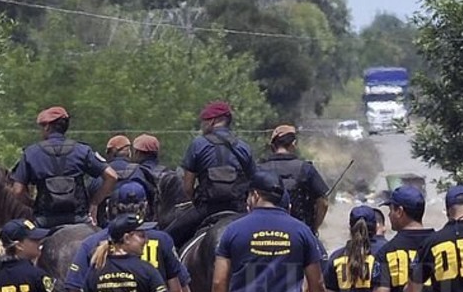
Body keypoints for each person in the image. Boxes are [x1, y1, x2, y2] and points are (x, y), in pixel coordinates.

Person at [9, 106, 119, 229]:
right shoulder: (82, 150)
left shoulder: (31, 153)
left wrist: (34, 205)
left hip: (45, 221)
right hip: (78, 219)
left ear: (47, 127)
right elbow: (112, 176)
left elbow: (17, 191)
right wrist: (94, 203)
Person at [165, 101, 257, 246]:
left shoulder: (198, 144)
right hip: (238, 209)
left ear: (212, 121)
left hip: (206, 209)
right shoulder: (243, 147)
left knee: (167, 237)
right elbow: (254, 182)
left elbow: (187, 186)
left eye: (204, 121)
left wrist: (196, 201)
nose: (202, 126)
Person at [258, 124, 330, 234]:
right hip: (299, 232)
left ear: (273, 146)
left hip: (265, 232)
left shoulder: (260, 169)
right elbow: (323, 202)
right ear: (294, 144)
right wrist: (314, 228)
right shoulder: (305, 169)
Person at [97, 135, 156, 224]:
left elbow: (91, 193)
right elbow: (151, 195)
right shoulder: (139, 171)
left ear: (109, 153)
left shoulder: (101, 172)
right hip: (137, 224)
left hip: (105, 225)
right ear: (129, 152)